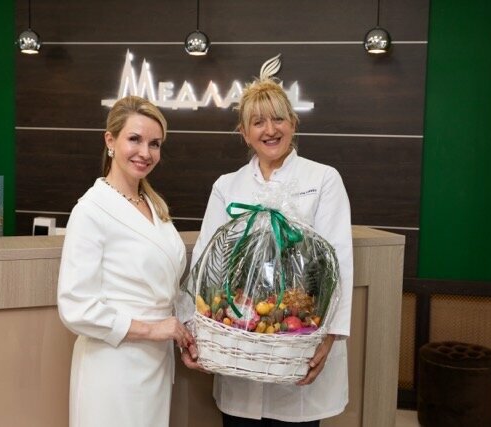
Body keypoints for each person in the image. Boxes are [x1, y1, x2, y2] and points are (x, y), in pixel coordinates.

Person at [181, 78, 354, 426]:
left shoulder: (323, 179)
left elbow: (339, 261)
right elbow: (205, 259)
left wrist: (331, 337)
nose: (270, 130)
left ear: (293, 123)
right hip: (237, 345)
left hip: (300, 344)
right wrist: (192, 329)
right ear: (244, 133)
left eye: (278, 119)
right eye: (258, 122)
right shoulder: (227, 186)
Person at [57, 96, 196, 427]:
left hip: (155, 365)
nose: (145, 152)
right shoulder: (91, 211)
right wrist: (153, 329)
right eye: (134, 139)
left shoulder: (154, 206)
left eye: (155, 144)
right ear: (110, 140)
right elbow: (76, 306)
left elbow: (167, 287)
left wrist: (185, 332)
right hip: (111, 368)